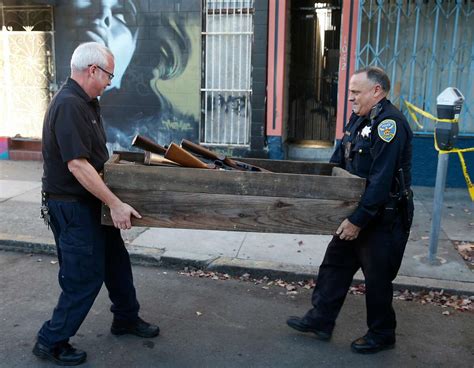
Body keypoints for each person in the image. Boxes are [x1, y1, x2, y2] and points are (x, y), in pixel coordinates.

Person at [33, 42, 160, 366]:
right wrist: (115, 203)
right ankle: (51, 341)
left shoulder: (87, 102)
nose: (110, 82)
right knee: (83, 277)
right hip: (74, 208)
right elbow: (77, 165)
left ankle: (126, 318)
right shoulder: (69, 105)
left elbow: (94, 157)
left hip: (91, 203)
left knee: (116, 264)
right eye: (108, 75)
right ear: (92, 70)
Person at [287, 67, 414, 354]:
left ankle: (382, 333)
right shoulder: (360, 118)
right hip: (357, 210)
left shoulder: (388, 124)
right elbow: (341, 156)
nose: (350, 98)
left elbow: (381, 180)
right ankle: (321, 320)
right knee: (335, 264)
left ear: (377, 91)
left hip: (383, 216)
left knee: (377, 277)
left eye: (356, 92)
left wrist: (358, 220)